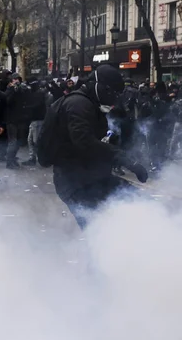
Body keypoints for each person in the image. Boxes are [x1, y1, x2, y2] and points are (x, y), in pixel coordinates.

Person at [49, 65, 148, 229]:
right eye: (112, 93)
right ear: (100, 86)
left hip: (92, 176)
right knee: (96, 229)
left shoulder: (88, 104)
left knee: (137, 203)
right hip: (76, 183)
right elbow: (84, 141)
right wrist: (127, 161)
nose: (114, 99)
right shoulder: (78, 104)